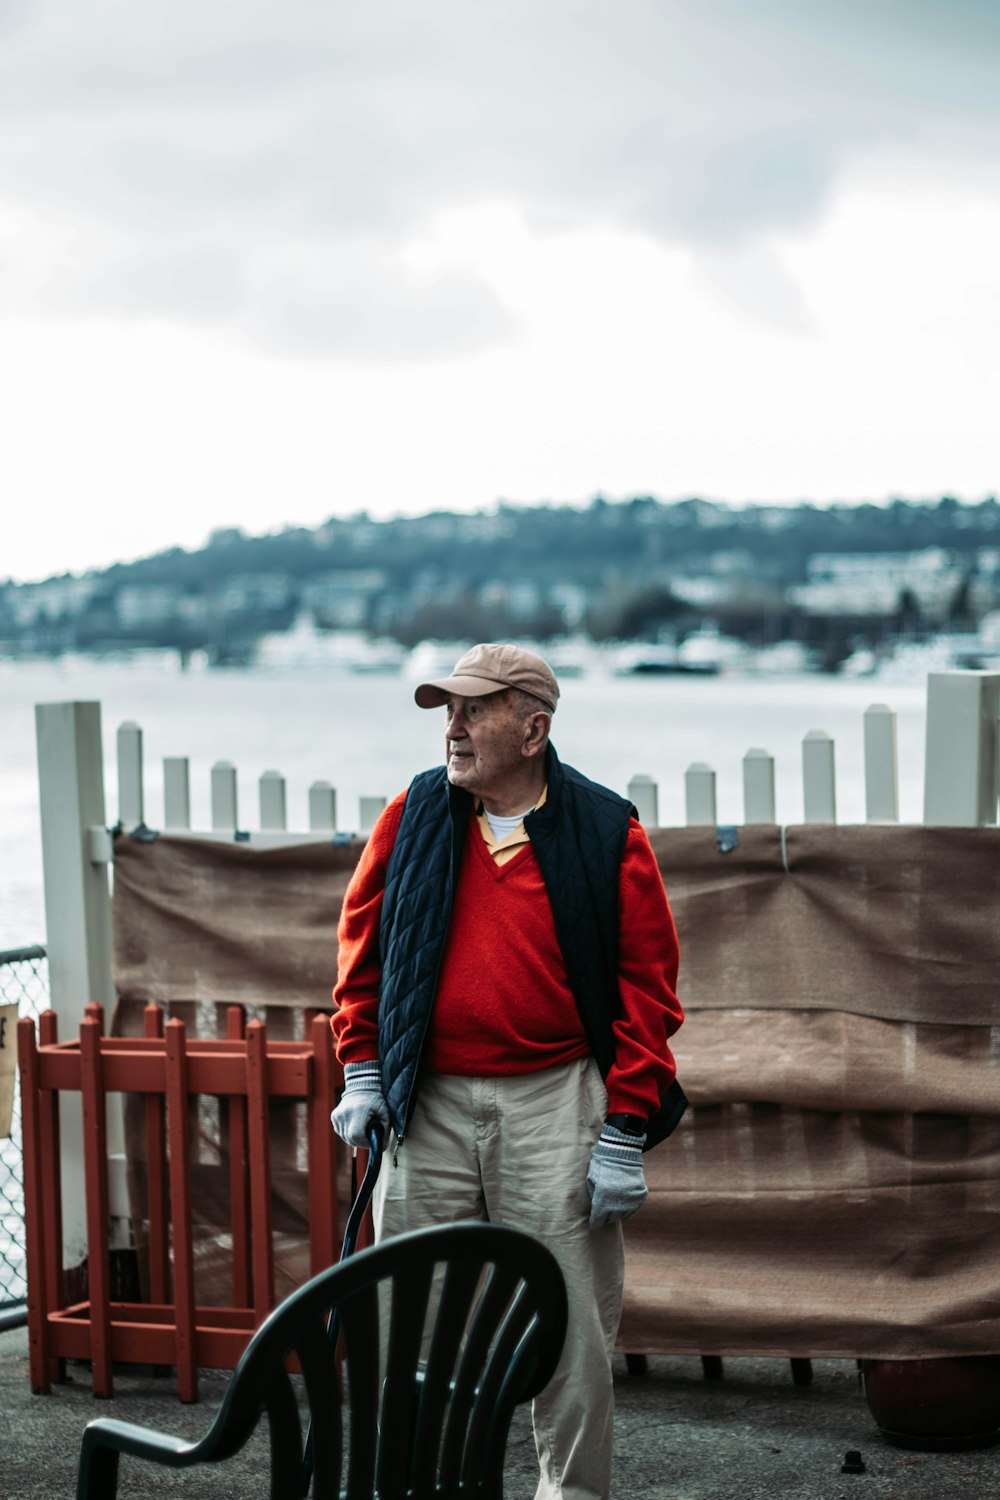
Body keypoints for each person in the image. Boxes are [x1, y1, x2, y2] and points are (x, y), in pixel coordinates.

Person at [330, 642, 684, 1500]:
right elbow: (361, 951)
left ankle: (571, 1494)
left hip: (557, 1102)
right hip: (430, 1102)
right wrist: (363, 1070)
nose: (451, 727)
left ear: (534, 728)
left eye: (473, 710)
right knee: (406, 1316)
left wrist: (625, 1128)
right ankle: (415, 1486)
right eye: (447, 710)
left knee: (570, 1331)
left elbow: (650, 991)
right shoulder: (411, 816)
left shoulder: (607, 832)